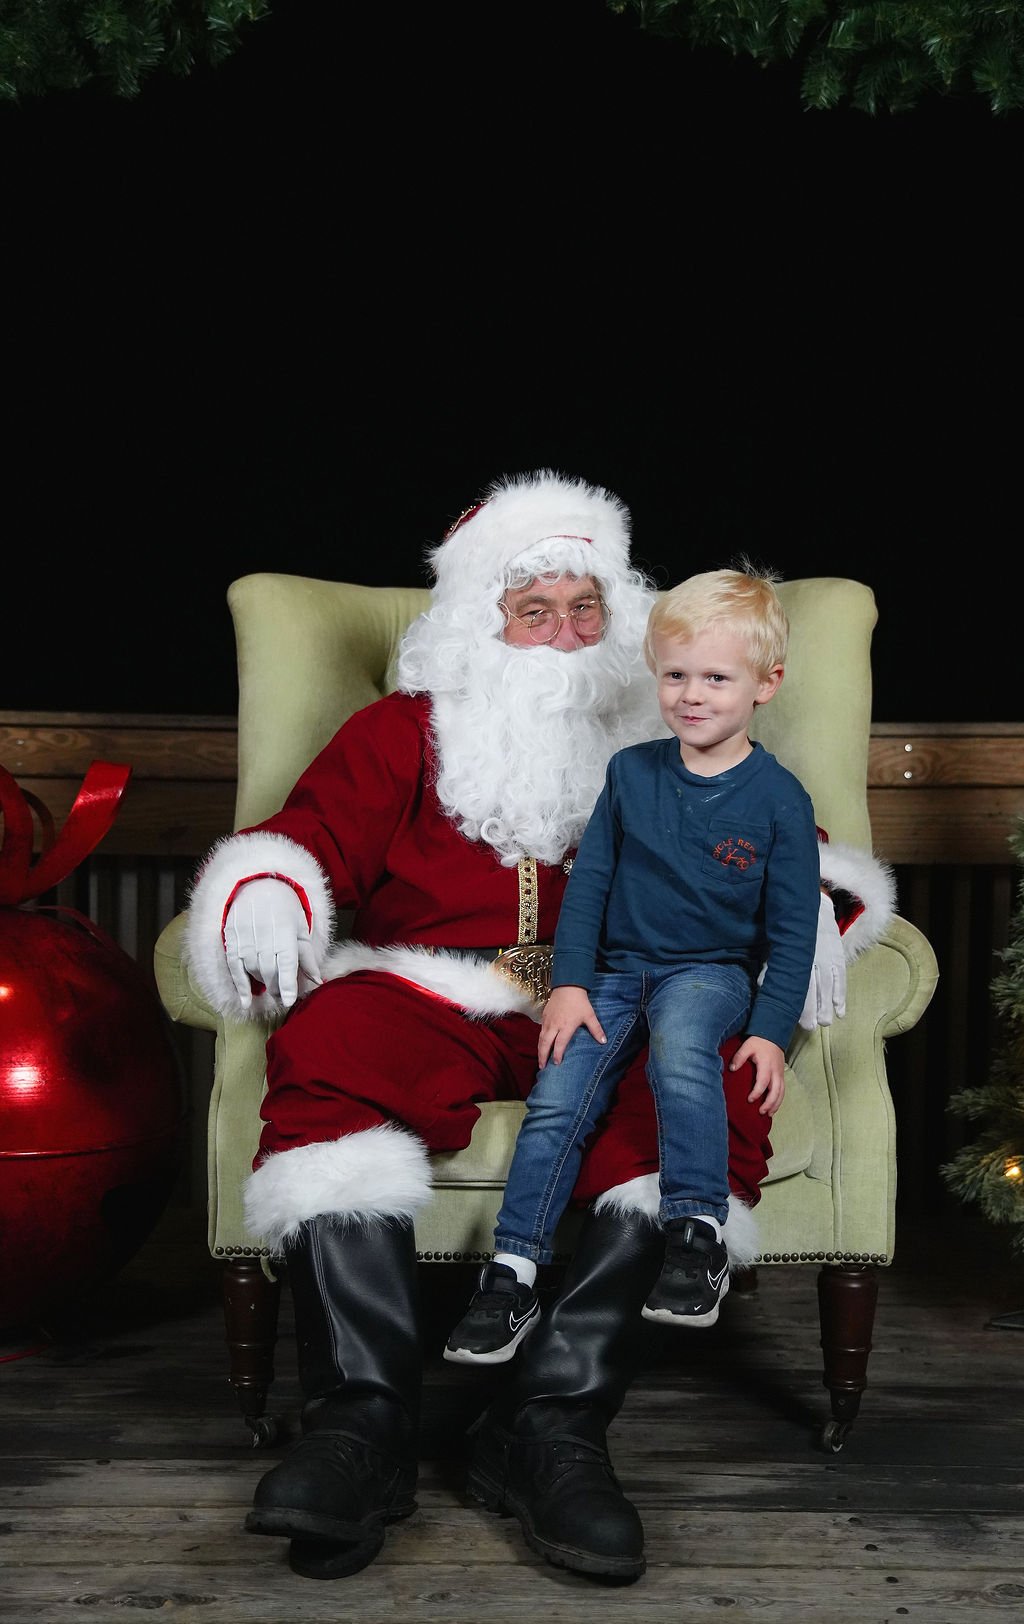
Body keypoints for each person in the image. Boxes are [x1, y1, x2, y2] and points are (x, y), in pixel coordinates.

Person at [183, 469, 894, 1585]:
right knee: (330, 1039)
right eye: (533, 610)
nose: (562, 636)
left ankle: (550, 1423)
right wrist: (270, 887)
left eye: (585, 609)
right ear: (482, 625)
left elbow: (796, 849)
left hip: (625, 992)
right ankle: (359, 1424)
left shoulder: (671, 737)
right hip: (436, 989)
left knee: (698, 1083)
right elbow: (302, 835)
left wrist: (804, 900)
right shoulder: (398, 731)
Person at [444, 567, 821, 1367]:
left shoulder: (779, 798)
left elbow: (792, 934)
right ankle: (511, 1273)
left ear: (765, 685)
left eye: (717, 677)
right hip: (614, 972)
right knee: (559, 1098)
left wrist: (769, 1032)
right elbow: (590, 892)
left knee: (684, 1056)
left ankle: (695, 1237)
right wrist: (571, 985)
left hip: (708, 973)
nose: (692, 695)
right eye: (676, 675)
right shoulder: (631, 774)